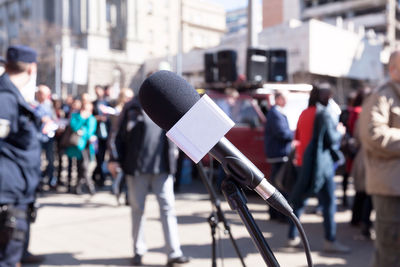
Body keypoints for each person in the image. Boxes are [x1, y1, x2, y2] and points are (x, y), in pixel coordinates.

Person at [115, 97, 190, 266]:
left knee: (168, 209)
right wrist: (117, 160)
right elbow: (119, 136)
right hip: (136, 169)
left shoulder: (166, 107)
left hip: (162, 169)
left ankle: (174, 252)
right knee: (137, 210)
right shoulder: (133, 107)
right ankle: (138, 250)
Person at [287, 83, 349, 253]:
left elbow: (298, 137)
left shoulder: (304, 113)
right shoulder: (325, 114)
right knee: (329, 203)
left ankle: (292, 235)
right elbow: (331, 139)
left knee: (300, 200)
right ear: (327, 97)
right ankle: (330, 239)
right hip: (321, 165)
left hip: (303, 162)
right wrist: (340, 132)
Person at [0, 45, 44, 266]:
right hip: (8, 191)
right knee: (7, 258)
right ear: (31, 69)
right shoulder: (5, 98)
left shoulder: (11, 95)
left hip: (17, 188)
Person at [358, 50, 400, 267]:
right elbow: (374, 135)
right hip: (390, 189)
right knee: (390, 254)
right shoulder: (381, 96)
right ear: (393, 68)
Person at [264, 90, 293, 222]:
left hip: (278, 153)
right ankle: (279, 214)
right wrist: (294, 135)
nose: (287, 101)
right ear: (279, 99)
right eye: (286, 98)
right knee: (279, 185)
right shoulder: (275, 113)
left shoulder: (276, 112)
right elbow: (282, 133)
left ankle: (276, 213)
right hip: (278, 154)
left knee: (276, 185)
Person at [65, 101, 97, 195]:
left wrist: (84, 131)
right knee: (78, 167)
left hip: (87, 147)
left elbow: (90, 131)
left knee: (84, 167)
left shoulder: (91, 118)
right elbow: (74, 127)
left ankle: (84, 187)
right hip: (76, 146)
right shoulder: (75, 116)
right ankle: (84, 187)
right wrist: (81, 118)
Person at [35, 85, 57, 188]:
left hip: (48, 137)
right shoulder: (33, 104)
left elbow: (54, 119)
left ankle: (51, 179)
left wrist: (50, 121)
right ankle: (37, 180)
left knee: (50, 159)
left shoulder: (49, 105)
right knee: (37, 159)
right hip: (37, 136)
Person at [92, 85, 110, 188]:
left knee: (103, 157)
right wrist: (98, 118)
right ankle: (100, 177)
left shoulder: (108, 103)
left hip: (106, 134)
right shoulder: (94, 103)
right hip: (97, 134)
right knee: (98, 157)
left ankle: (96, 175)